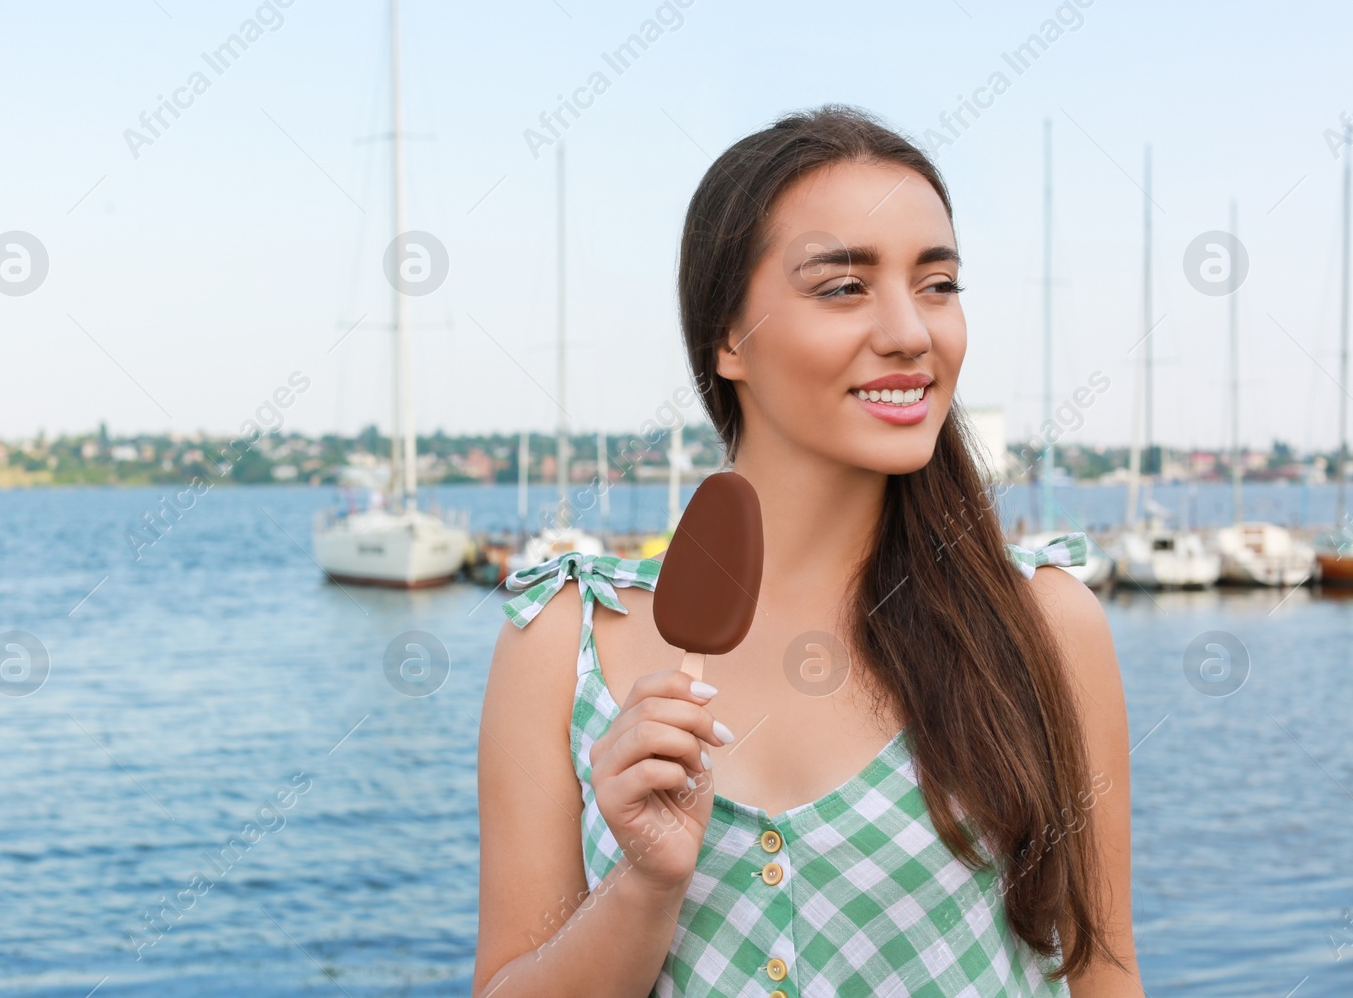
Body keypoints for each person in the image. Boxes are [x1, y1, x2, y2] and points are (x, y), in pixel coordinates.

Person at [474, 105, 1141, 997]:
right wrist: (644, 886)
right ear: (726, 338)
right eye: (845, 286)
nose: (912, 331)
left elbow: (1102, 972)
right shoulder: (563, 643)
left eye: (938, 283)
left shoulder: (1044, 624)